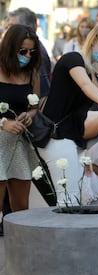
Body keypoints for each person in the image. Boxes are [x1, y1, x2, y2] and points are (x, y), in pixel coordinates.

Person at [38, 22, 98, 205]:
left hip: (70, 140)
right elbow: (85, 86)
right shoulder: (73, 59)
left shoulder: (88, 69)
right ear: (94, 39)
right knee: (70, 200)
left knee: (79, 199)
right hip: (56, 138)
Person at [0, 24, 41, 211]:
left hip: (19, 144)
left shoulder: (31, 73)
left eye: (31, 52)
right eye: (23, 51)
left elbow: (34, 107)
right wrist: (3, 123)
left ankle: (18, 240)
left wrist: (29, 115)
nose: (27, 57)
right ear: (10, 47)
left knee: (21, 207)